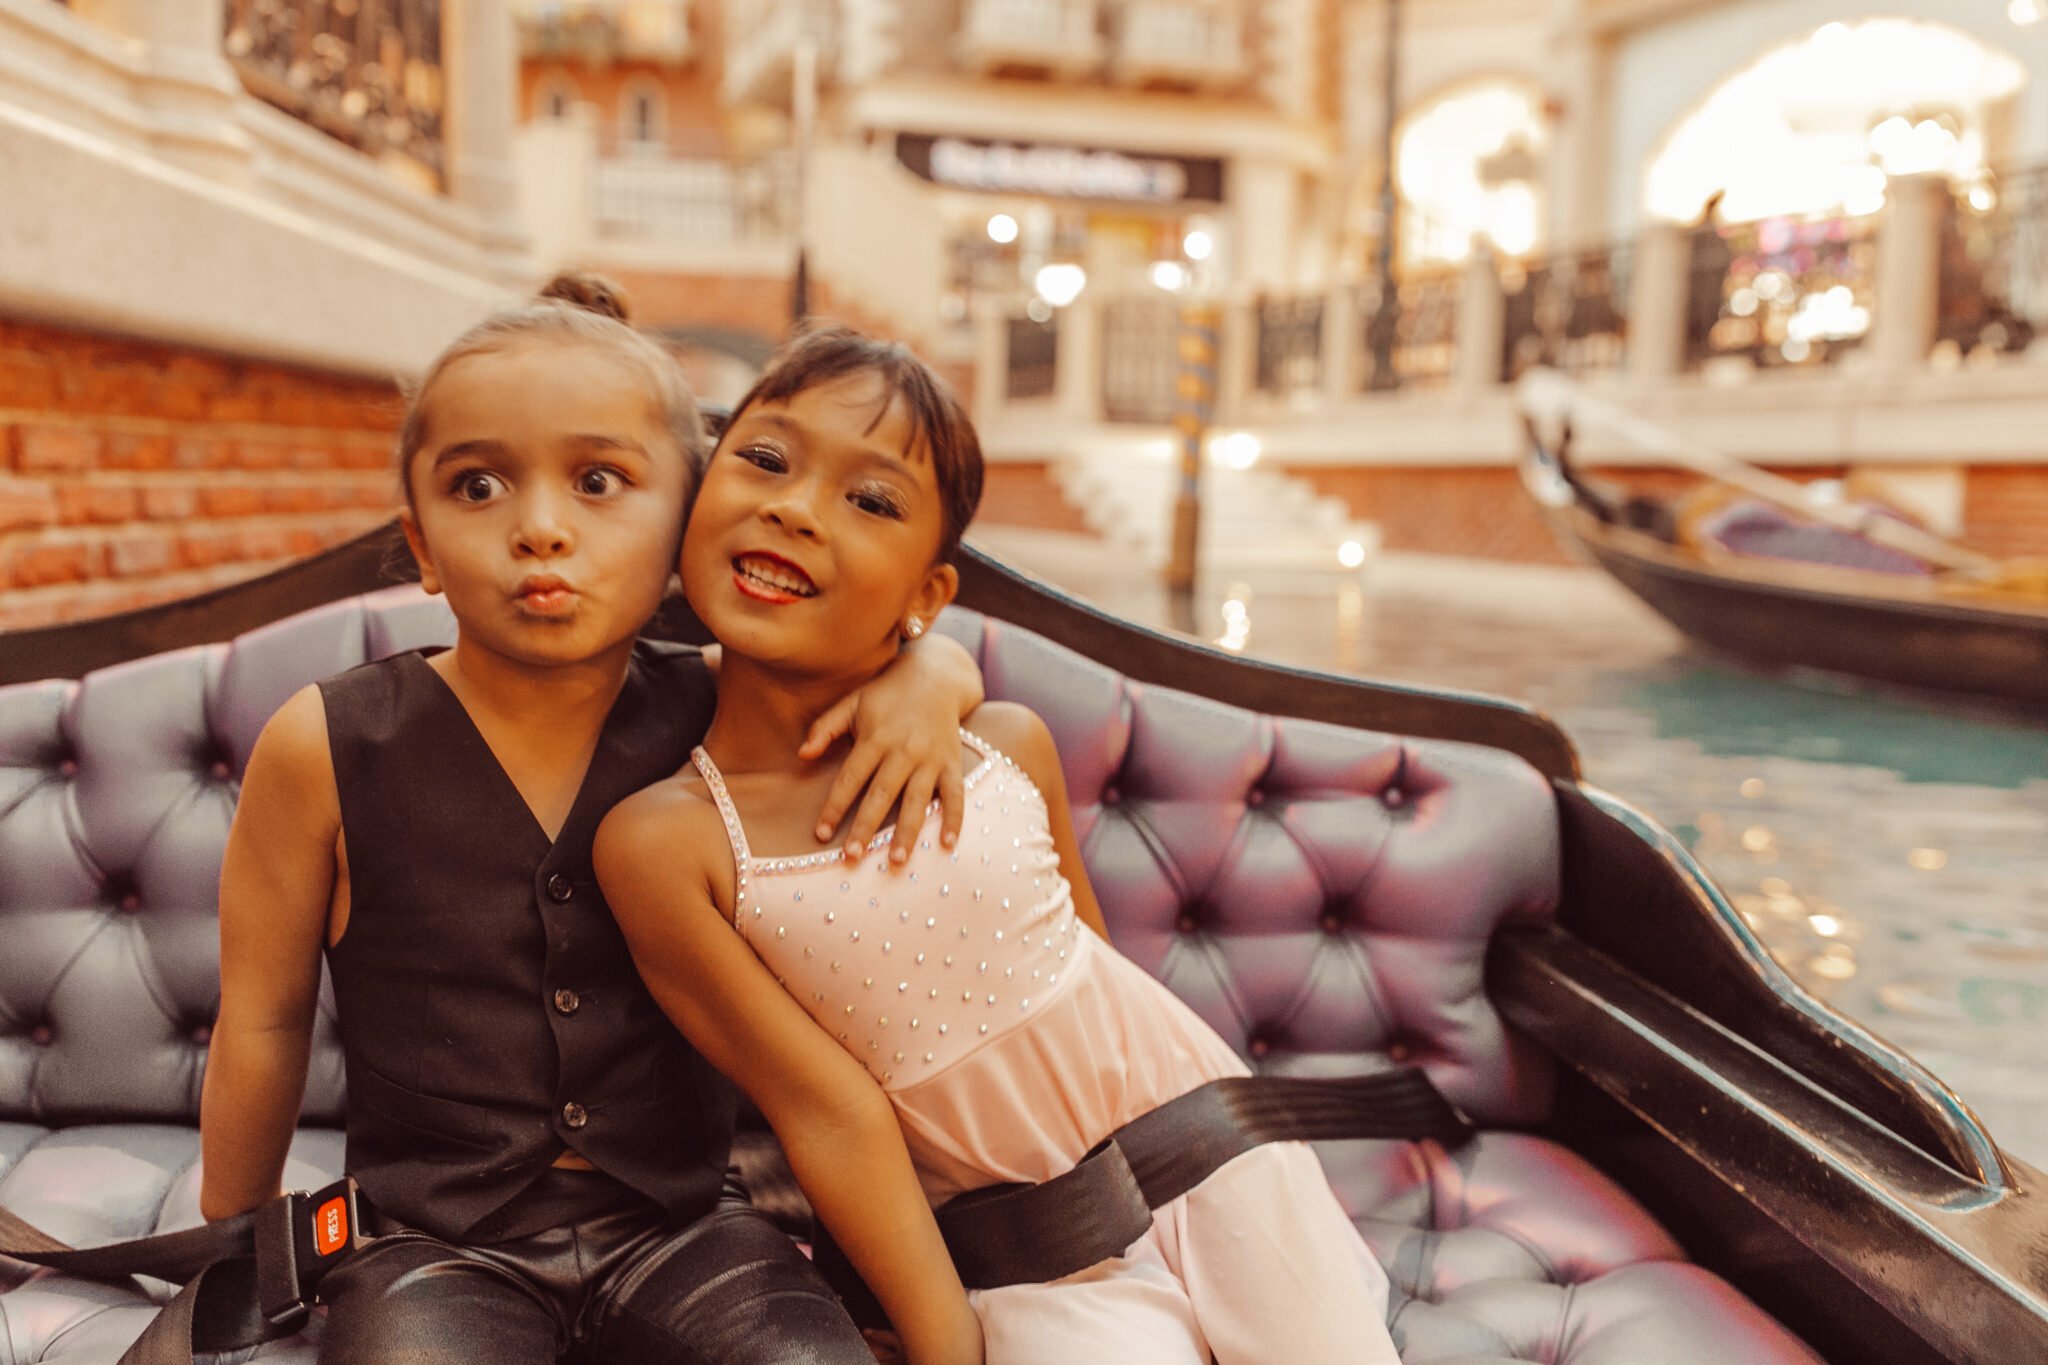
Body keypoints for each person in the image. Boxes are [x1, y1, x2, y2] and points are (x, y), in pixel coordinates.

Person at [197, 276, 989, 1365]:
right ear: (419, 543)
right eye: (476, 486)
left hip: (689, 1228)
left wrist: (931, 678)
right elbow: (263, 1021)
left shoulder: (727, 713)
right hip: (429, 1243)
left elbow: (900, 653)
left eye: (599, 482)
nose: (539, 530)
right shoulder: (325, 746)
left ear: (683, 523)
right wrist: (228, 1249)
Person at [595, 326, 1403, 1365]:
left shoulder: (1001, 748)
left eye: (870, 500)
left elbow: (1090, 961)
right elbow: (827, 1113)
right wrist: (944, 1343)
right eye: (764, 460)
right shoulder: (670, 843)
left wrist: (935, 676)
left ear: (927, 600)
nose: (794, 508)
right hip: (1020, 1251)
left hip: (1214, 1154)